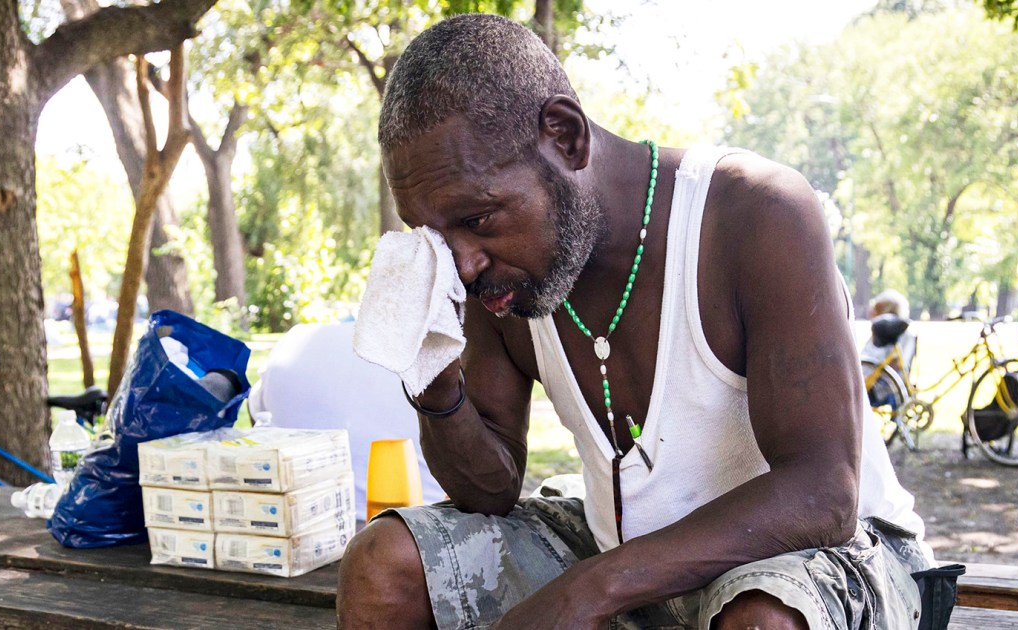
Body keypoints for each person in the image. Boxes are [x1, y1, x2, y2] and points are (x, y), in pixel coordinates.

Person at [339, 14, 932, 630]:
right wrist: (433, 378)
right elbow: (489, 490)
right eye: (433, 233)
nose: (460, 261)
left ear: (564, 138)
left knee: (763, 622)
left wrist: (588, 592)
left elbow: (823, 494)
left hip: (828, 556)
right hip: (626, 559)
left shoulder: (756, 211)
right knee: (383, 563)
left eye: (478, 219)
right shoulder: (500, 273)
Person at [247, 322, 446, 523]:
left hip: (292, 523)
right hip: (408, 531)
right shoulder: (443, 350)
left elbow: (257, 417)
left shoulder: (293, 340)